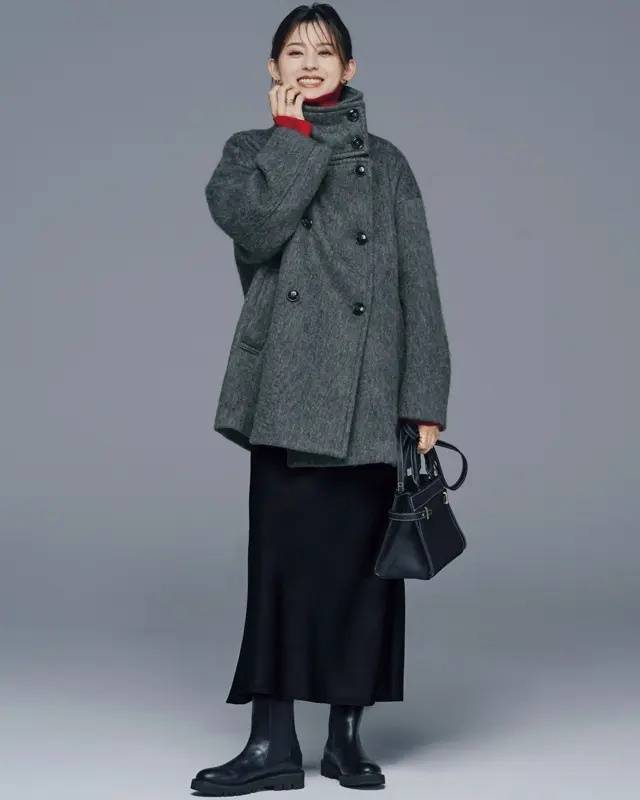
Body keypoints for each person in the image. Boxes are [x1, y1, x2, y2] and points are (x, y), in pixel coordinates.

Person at [191, 3, 451, 795]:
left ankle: (345, 738)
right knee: (278, 567)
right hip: (287, 388)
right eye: (295, 52)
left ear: (350, 67)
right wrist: (292, 139)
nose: (310, 63)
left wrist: (424, 397)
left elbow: (417, 285)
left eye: (325, 52)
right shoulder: (251, 153)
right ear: (273, 69)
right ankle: (271, 743)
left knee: (363, 573)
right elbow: (258, 231)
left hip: (370, 388)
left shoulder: (389, 164)